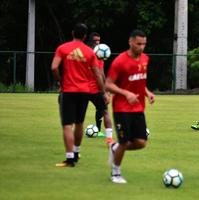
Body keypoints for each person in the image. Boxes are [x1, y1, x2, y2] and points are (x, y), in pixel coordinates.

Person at [51, 23, 105, 167]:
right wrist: (103, 92)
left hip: (68, 91)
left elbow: (54, 67)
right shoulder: (89, 52)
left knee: (67, 125)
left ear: (72, 33)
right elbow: (98, 75)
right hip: (84, 92)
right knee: (79, 123)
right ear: (85, 36)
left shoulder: (62, 48)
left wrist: (60, 81)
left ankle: (69, 159)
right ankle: (76, 152)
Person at [105, 29, 155, 184]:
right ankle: (116, 173)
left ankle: (114, 149)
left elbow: (140, 81)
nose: (141, 47)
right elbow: (108, 84)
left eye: (144, 44)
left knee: (141, 142)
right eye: (138, 44)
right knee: (124, 142)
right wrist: (125, 94)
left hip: (138, 108)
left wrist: (147, 92)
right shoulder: (120, 61)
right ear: (130, 42)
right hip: (122, 108)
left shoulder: (145, 59)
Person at [87, 32, 114, 144]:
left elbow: (102, 74)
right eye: (95, 41)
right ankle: (109, 140)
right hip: (92, 88)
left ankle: (97, 130)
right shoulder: (94, 54)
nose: (97, 42)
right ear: (90, 41)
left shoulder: (97, 53)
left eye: (99, 40)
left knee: (102, 109)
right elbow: (100, 74)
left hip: (83, 88)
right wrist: (105, 91)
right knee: (105, 111)